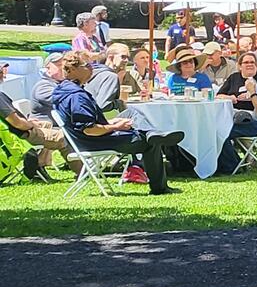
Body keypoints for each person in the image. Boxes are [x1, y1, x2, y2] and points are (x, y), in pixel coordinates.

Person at [51, 51, 184, 194]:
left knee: (131, 112)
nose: (92, 68)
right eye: (87, 65)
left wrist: (112, 121)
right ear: (73, 70)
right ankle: (160, 188)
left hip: (87, 138)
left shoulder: (63, 90)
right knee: (149, 143)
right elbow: (89, 130)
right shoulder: (76, 97)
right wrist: (115, 126)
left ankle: (151, 133)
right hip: (93, 141)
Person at [0, 65, 80, 181]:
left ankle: (39, 168)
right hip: (18, 136)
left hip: (14, 132)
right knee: (64, 137)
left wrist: (30, 122)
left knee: (46, 124)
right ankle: (83, 173)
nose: (5, 74)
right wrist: (31, 125)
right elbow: (17, 123)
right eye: (2, 71)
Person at [84, 43, 132, 112]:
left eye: (128, 58)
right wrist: (119, 103)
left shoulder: (95, 72)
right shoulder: (110, 76)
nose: (126, 60)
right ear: (110, 57)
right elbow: (103, 105)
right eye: (123, 57)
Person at [29, 52, 66, 120]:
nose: (63, 68)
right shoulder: (43, 86)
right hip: (46, 127)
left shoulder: (62, 83)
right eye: (59, 65)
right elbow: (63, 102)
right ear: (48, 68)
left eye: (65, 65)